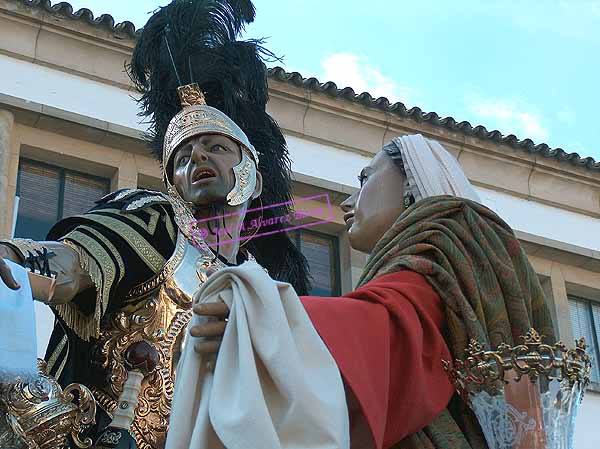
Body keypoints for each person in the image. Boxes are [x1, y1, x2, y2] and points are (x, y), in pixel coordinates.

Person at [0, 1, 310, 448]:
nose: (197, 158)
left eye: (214, 148)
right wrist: (11, 260)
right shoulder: (155, 218)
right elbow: (76, 263)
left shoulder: (262, 285)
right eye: (182, 158)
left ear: (252, 175)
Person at [193, 133, 555, 449]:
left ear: (412, 182)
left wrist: (265, 316)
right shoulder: (439, 254)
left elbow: (393, 329)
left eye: (365, 179)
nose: (349, 202)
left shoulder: (441, 239)